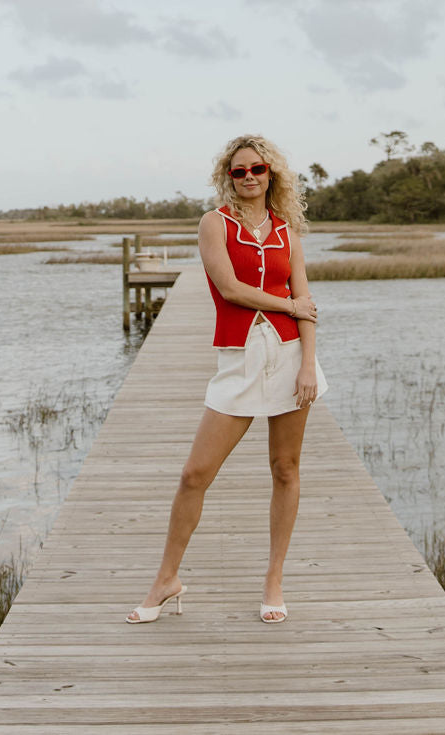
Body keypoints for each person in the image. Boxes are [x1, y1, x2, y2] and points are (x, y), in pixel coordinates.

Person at [126, 133, 327, 625]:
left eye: (257, 169)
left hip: (289, 356)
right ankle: (166, 579)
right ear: (228, 177)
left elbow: (308, 308)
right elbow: (231, 289)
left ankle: (274, 580)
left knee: (285, 469)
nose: (249, 178)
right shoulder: (213, 224)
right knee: (195, 474)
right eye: (239, 171)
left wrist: (307, 365)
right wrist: (288, 305)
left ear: (270, 174)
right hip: (239, 359)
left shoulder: (288, 233)